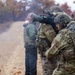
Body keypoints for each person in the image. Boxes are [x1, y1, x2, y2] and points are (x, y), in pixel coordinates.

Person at [36, 6, 64, 75]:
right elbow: (55, 40)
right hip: (49, 56)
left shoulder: (50, 23)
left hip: (49, 54)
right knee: (49, 72)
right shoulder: (47, 24)